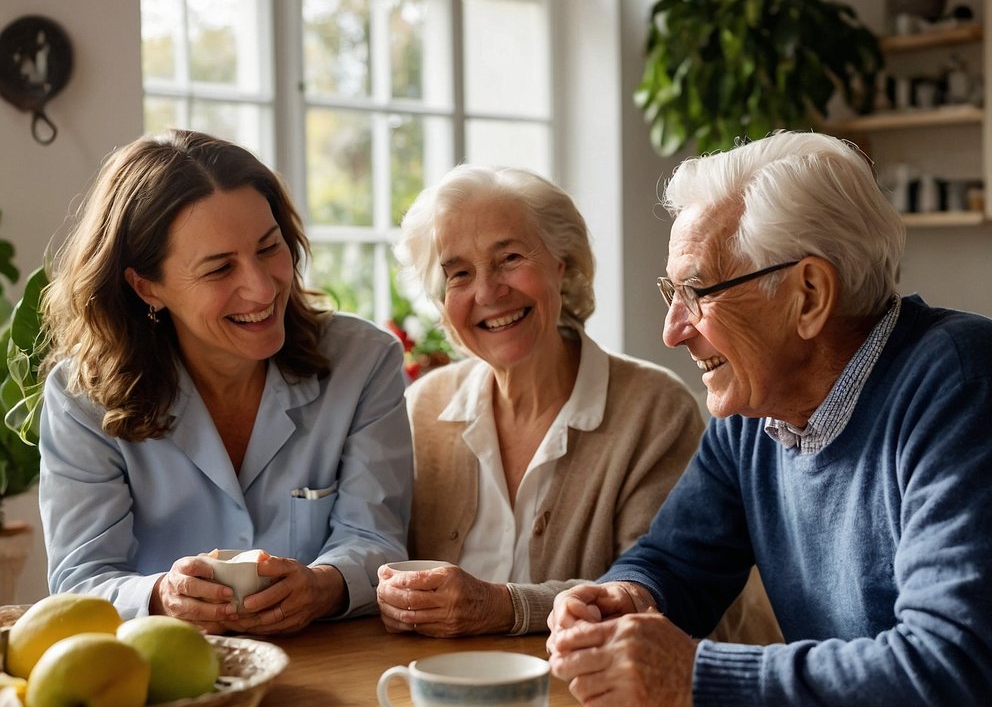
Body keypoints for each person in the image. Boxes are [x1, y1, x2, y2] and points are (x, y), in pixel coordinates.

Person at [546, 131, 992, 707]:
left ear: (810, 294)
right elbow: (676, 563)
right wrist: (627, 597)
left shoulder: (966, 380)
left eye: (699, 291)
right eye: (672, 291)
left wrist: (695, 677)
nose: (674, 328)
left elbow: (958, 685)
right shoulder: (758, 413)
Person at [378, 163, 780, 641]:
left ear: (561, 262)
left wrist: (502, 607)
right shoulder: (422, 408)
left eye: (509, 258)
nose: (488, 291)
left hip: (601, 700)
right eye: (459, 274)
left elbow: (665, 599)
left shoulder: (654, 409)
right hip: (449, 691)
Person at [39, 129, 412, 635]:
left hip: (335, 669)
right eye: (219, 269)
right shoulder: (80, 400)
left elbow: (377, 539)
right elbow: (80, 579)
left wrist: (323, 584)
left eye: (269, 247)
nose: (261, 288)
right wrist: (160, 597)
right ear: (147, 286)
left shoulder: (364, 361)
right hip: (166, 681)